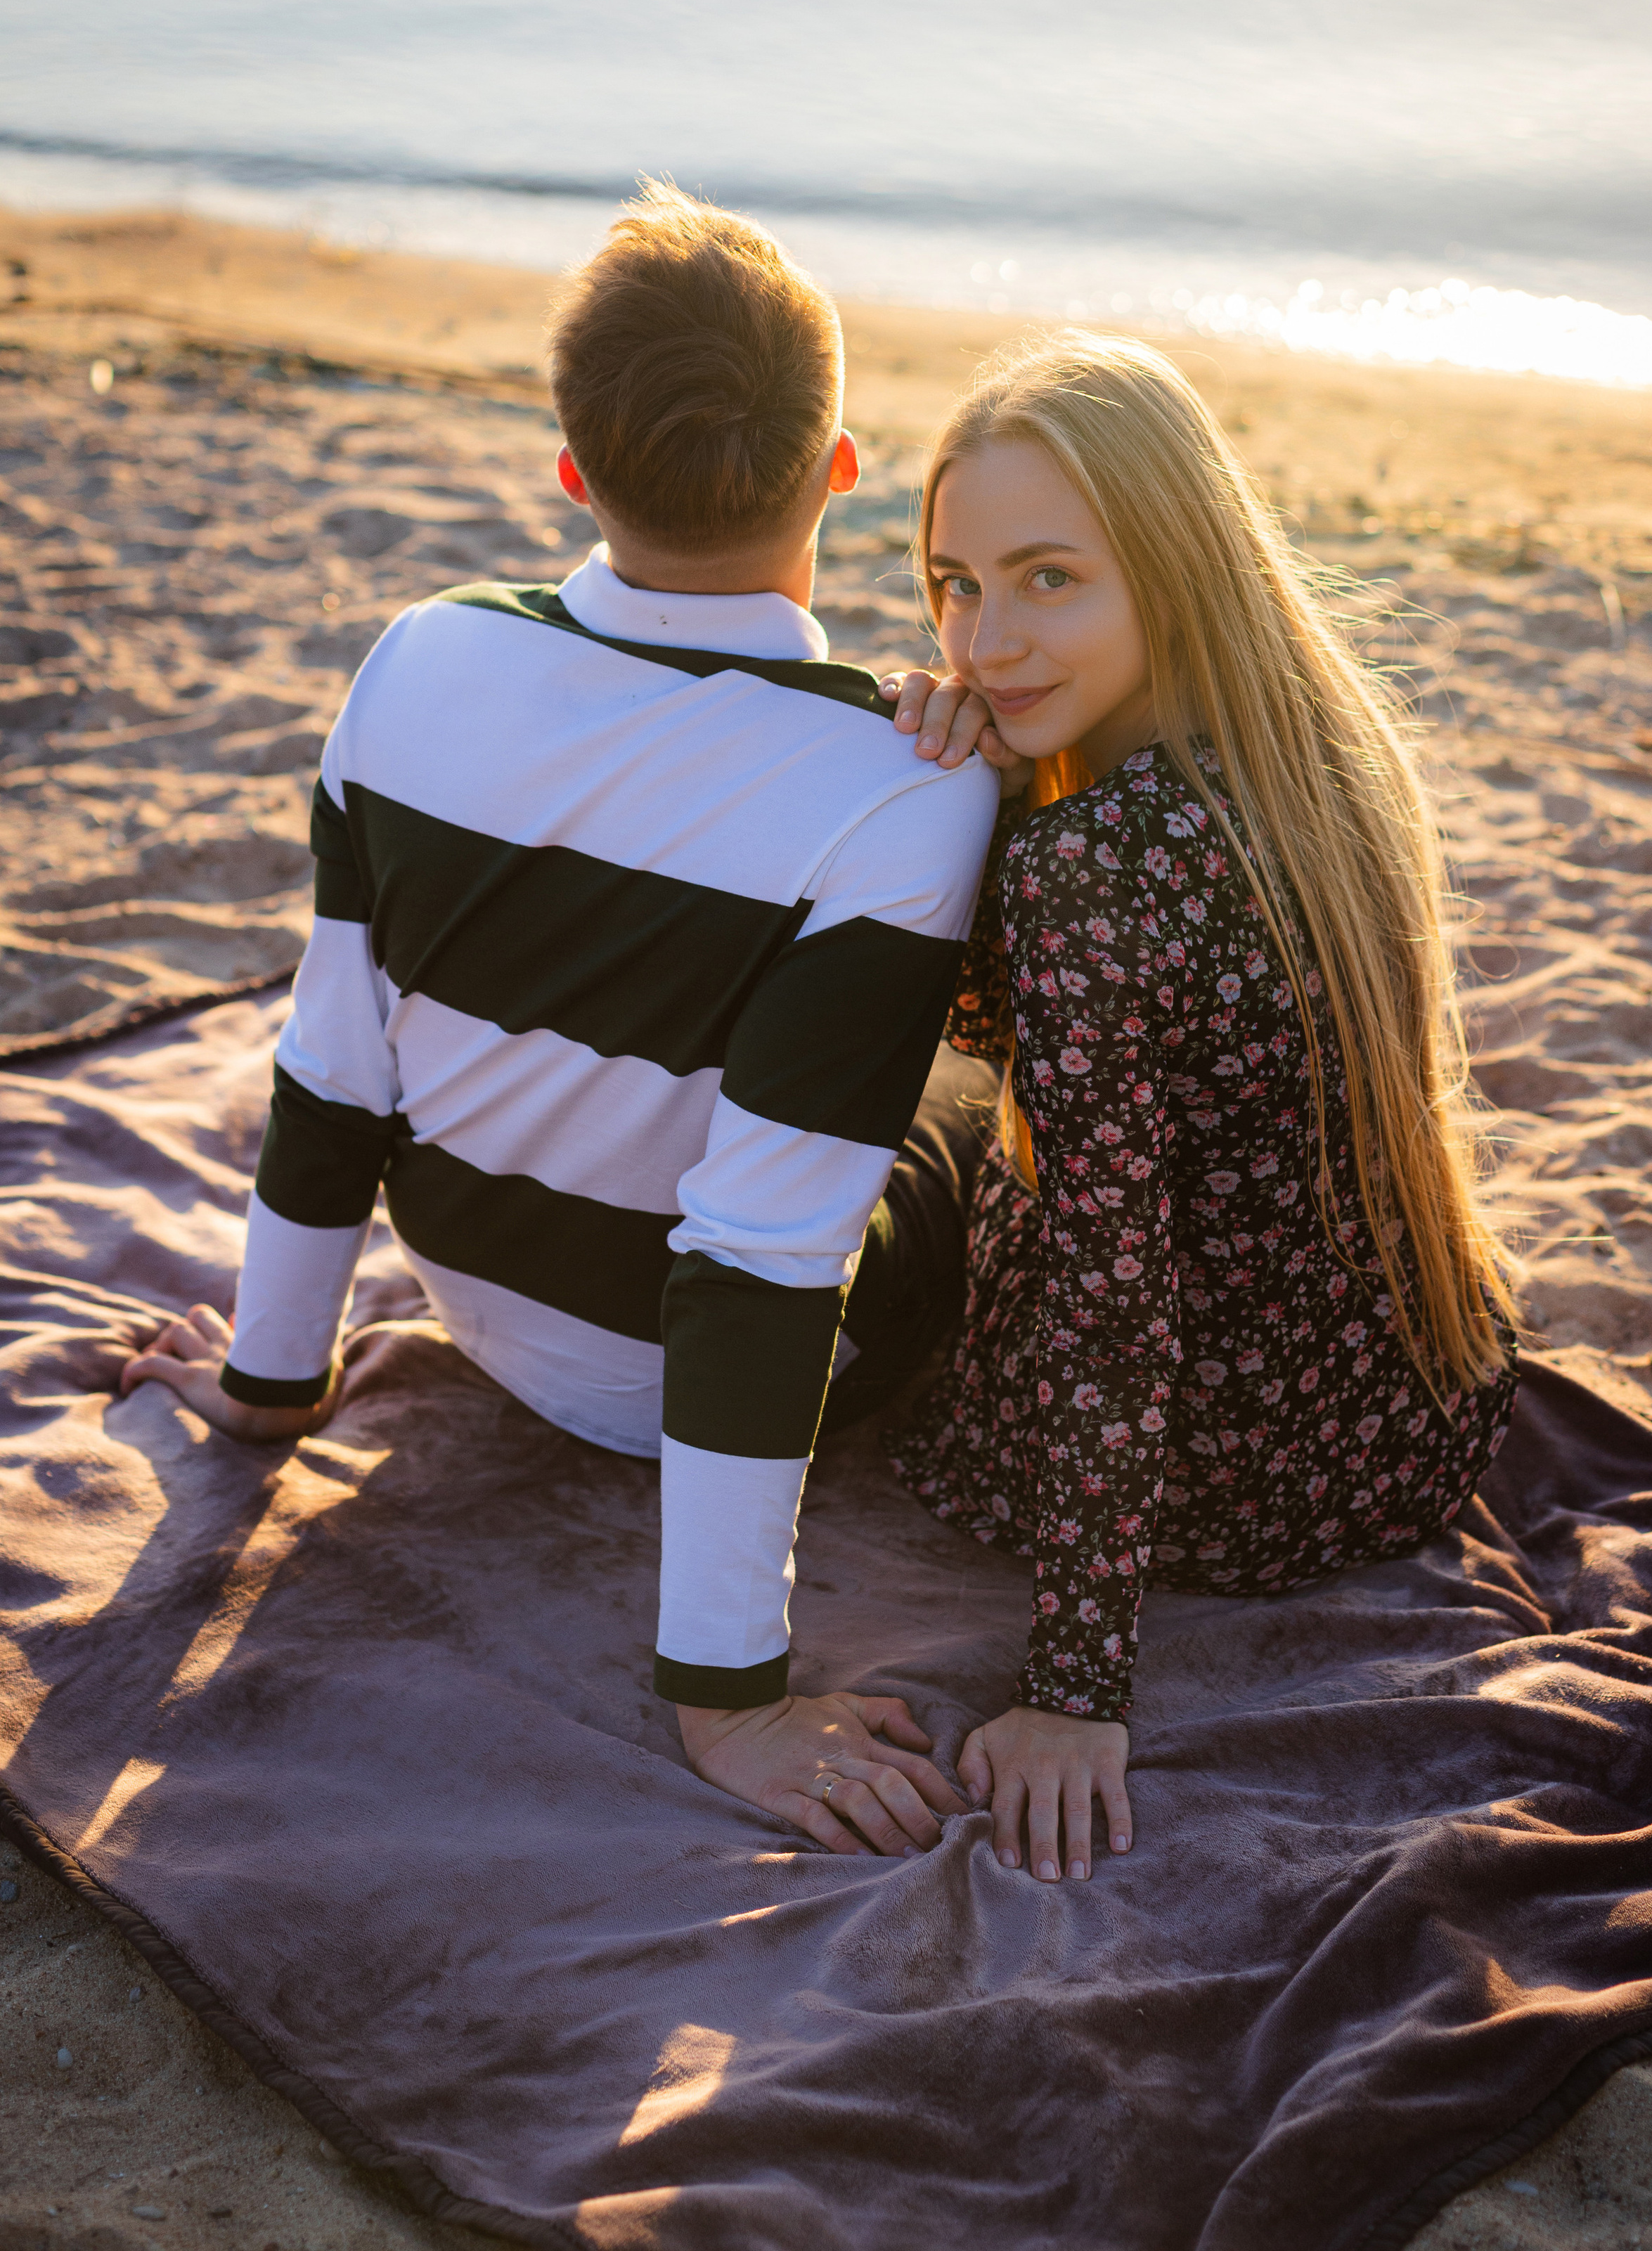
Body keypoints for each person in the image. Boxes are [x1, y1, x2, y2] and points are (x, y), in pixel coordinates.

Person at [116, 183, 1000, 1861]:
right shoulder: (903, 787)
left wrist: (266, 1385)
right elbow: (758, 1258)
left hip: (481, 1309)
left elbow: (328, 1075)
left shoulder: (413, 661)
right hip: (717, 1363)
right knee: (966, 1083)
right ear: (837, 473)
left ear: (571, 471)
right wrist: (723, 1700)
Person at [879, 331, 1520, 1885]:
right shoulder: (1324, 749)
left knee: (884, 1157)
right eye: (956, 585)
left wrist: (1072, 1691)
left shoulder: (1083, 868)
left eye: (1047, 580)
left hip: (1208, 1489)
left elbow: (1112, 1291)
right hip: (1406, 1421)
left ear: (1169, 568)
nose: (982, 641)